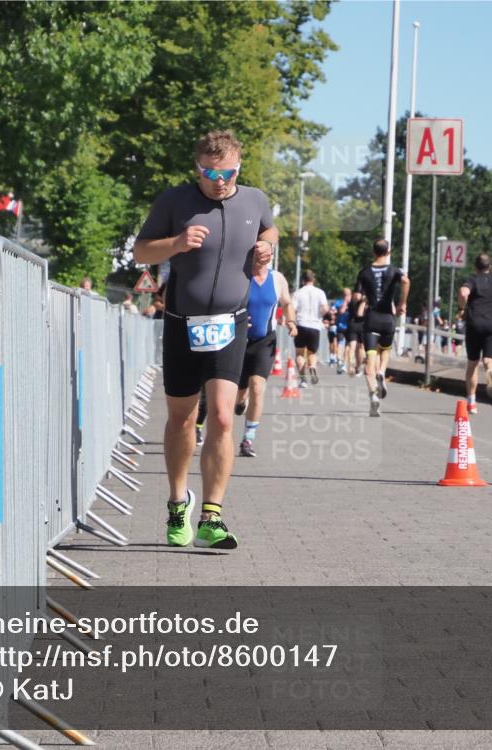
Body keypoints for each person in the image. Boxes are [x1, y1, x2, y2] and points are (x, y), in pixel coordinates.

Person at [134, 130, 276, 550]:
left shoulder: (254, 200)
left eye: (227, 172)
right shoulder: (175, 201)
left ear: (239, 167)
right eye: (210, 172)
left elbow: (270, 231)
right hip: (182, 322)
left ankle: (212, 515)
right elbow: (141, 252)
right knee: (181, 419)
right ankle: (178, 502)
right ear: (197, 168)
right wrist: (176, 243)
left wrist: (266, 249)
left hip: (231, 324)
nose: (219, 180)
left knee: (223, 415)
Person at [234, 263, 296, 457]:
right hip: (238, 340)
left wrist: (291, 322)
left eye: (266, 253)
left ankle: (248, 439)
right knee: (239, 392)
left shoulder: (277, 279)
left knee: (257, 387)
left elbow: (286, 303)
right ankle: (241, 400)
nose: (261, 257)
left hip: (265, 341)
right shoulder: (240, 276)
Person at [354, 239, 410, 416]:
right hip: (388, 319)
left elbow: (356, 296)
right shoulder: (394, 270)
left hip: (371, 319)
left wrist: (363, 299)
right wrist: (402, 303)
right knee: (385, 351)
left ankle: (373, 396)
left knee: (369, 359)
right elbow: (406, 282)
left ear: (373, 252)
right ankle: (382, 371)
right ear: (389, 252)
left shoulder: (364, 272)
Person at [458, 252, 492, 415]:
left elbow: (463, 293)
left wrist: (461, 308)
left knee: (473, 363)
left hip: (475, 324)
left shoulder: (472, 280)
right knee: (489, 359)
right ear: (490, 266)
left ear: (476, 267)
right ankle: (490, 370)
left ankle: (472, 402)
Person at [292, 270, 329, 387]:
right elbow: (325, 308)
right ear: (314, 280)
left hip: (301, 324)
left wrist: (291, 322)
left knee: (299, 353)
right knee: (312, 352)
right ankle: (312, 366)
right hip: (315, 326)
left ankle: (303, 380)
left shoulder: (298, 293)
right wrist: (320, 315)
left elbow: (292, 309)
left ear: (303, 280)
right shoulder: (320, 292)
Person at [344, 290, 365, 377]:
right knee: (360, 348)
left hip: (352, 325)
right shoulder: (365, 302)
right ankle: (358, 367)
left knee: (352, 347)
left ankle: (351, 367)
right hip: (362, 325)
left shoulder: (351, 301)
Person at [332, 288, 351, 374]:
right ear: (343, 295)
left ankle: (344, 364)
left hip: (350, 327)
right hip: (341, 327)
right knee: (340, 343)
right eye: (346, 295)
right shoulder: (339, 302)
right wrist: (345, 302)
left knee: (348, 346)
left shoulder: (352, 303)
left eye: (349, 295)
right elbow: (337, 311)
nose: (348, 297)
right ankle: (339, 360)